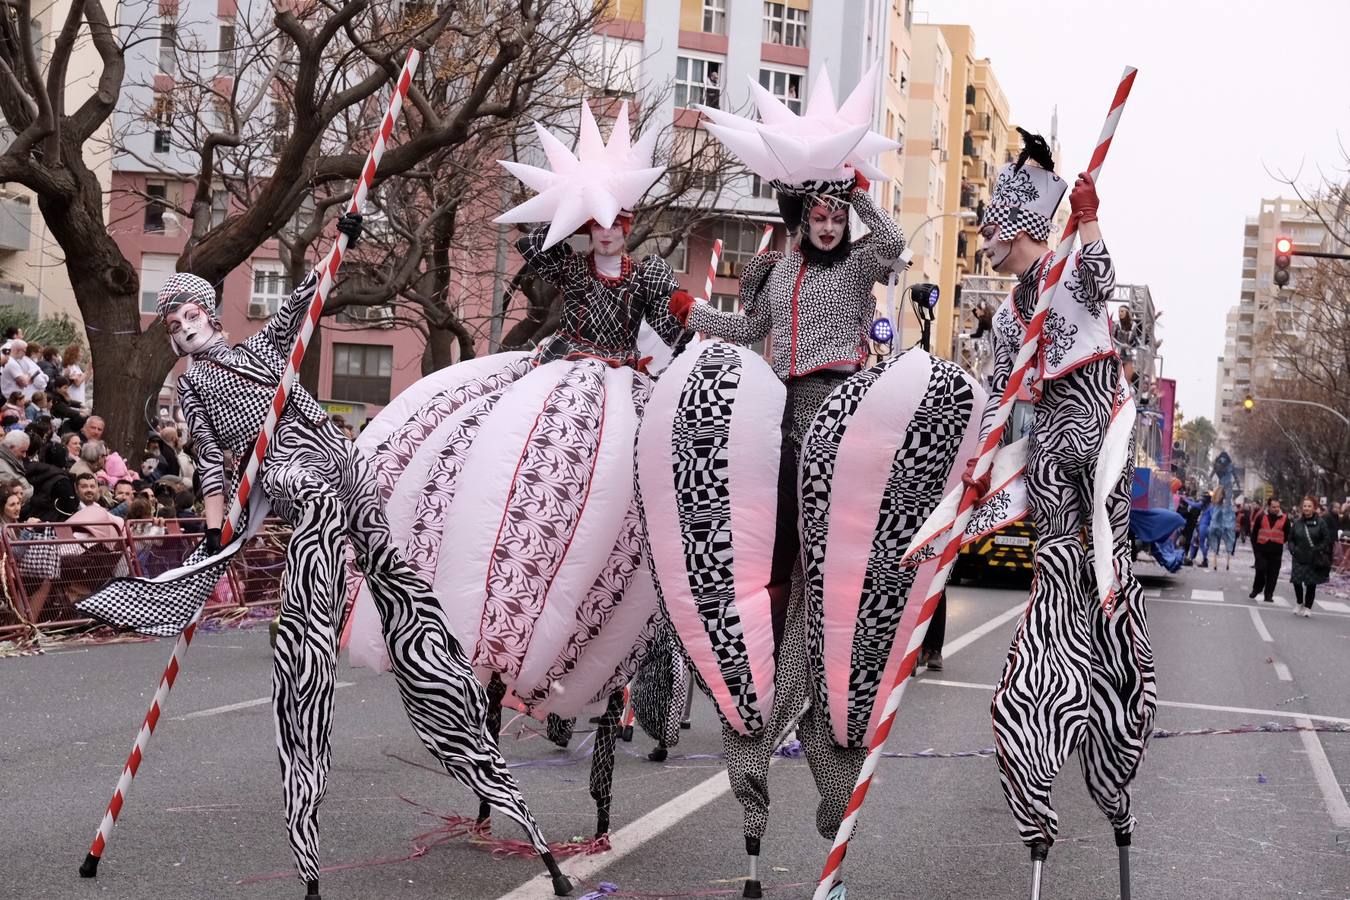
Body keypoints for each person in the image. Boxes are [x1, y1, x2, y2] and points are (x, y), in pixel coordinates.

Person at [75, 212, 573, 899]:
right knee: (307, 503)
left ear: (209, 312)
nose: (178, 324)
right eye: (168, 321)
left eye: (185, 311)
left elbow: (305, 301)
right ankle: (307, 745)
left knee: (392, 572)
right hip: (283, 468)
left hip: (337, 454)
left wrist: (344, 238)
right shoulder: (191, 385)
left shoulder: (262, 350)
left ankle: (458, 723)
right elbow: (214, 463)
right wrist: (219, 528)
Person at [969, 129, 1154, 884]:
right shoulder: (1013, 310)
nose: (983, 237)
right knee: (1055, 587)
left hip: (1096, 424)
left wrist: (1089, 218)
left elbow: (1104, 279)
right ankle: (1046, 713)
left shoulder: (1065, 271)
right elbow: (1001, 390)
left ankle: (1113, 690)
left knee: (1102, 579)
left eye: (991, 227)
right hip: (1048, 442)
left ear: (1018, 229)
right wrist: (980, 469)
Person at [1289, 495, 1331, 617]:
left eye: (1309, 506)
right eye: (1305, 506)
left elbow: (1326, 539)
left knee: (1310, 583)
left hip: (1313, 558)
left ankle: (1308, 607)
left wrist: (1317, 549)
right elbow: (1290, 539)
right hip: (1298, 557)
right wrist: (1293, 549)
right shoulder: (1297, 523)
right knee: (1297, 581)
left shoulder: (1320, 523)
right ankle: (1299, 602)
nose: (1306, 508)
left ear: (1314, 508)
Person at [1249, 497, 1290, 603]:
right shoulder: (1261, 516)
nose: (1276, 509)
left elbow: (1287, 534)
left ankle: (1268, 595)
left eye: (1278, 507)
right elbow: (1254, 534)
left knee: (1273, 574)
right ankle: (1257, 589)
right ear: (1269, 507)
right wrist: (1256, 549)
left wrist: (1279, 542)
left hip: (1276, 552)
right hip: (1262, 550)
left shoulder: (1285, 519)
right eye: (1273, 507)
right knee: (1260, 571)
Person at [0, 430, 34, 503]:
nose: (24, 455)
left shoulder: (12, 459)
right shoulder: (2, 467)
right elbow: (15, 493)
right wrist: (31, 490)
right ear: (11, 447)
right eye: (22, 451)